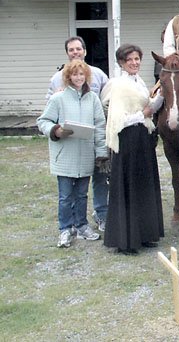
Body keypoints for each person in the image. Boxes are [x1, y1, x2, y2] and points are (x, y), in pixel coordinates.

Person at [101, 44, 165, 255]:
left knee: (144, 185)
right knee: (129, 187)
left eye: (137, 59)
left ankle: (145, 233)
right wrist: (143, 114)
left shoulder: (139, 82)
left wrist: (162, 96)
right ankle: (126, 240)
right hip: (127, 140)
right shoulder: (118, 85)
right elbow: (118, 119)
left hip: (142, 138)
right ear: (121, 63)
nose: (134, 63)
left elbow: (148, 107)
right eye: (130, 60)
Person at [37, 60, 108, 248]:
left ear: (86, 76)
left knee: (82, 194)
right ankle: (65, 229)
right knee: (65, 195)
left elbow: (100, 126)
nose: (78, 78)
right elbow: (43, 121)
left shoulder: (93, 99)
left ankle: (82, 225)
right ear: (68, 77)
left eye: (81, 74)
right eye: (75, 74)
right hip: (65, 155)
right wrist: (56, 130)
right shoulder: (58, 99)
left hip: (85, 155)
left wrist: (101, 153)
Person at [46, 36, 110, 232]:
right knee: (69, 189)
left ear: (85, 51)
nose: (75, 52)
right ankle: (69, 224)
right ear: (67, 53)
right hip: (69, 144)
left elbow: (107, 102)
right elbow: (48, 110)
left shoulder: (98, 74)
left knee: (96, 181)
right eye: (71, 50)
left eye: (78, 49)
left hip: (91, 141)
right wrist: (57, 130)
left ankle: (100, 215)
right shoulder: (57, 79)